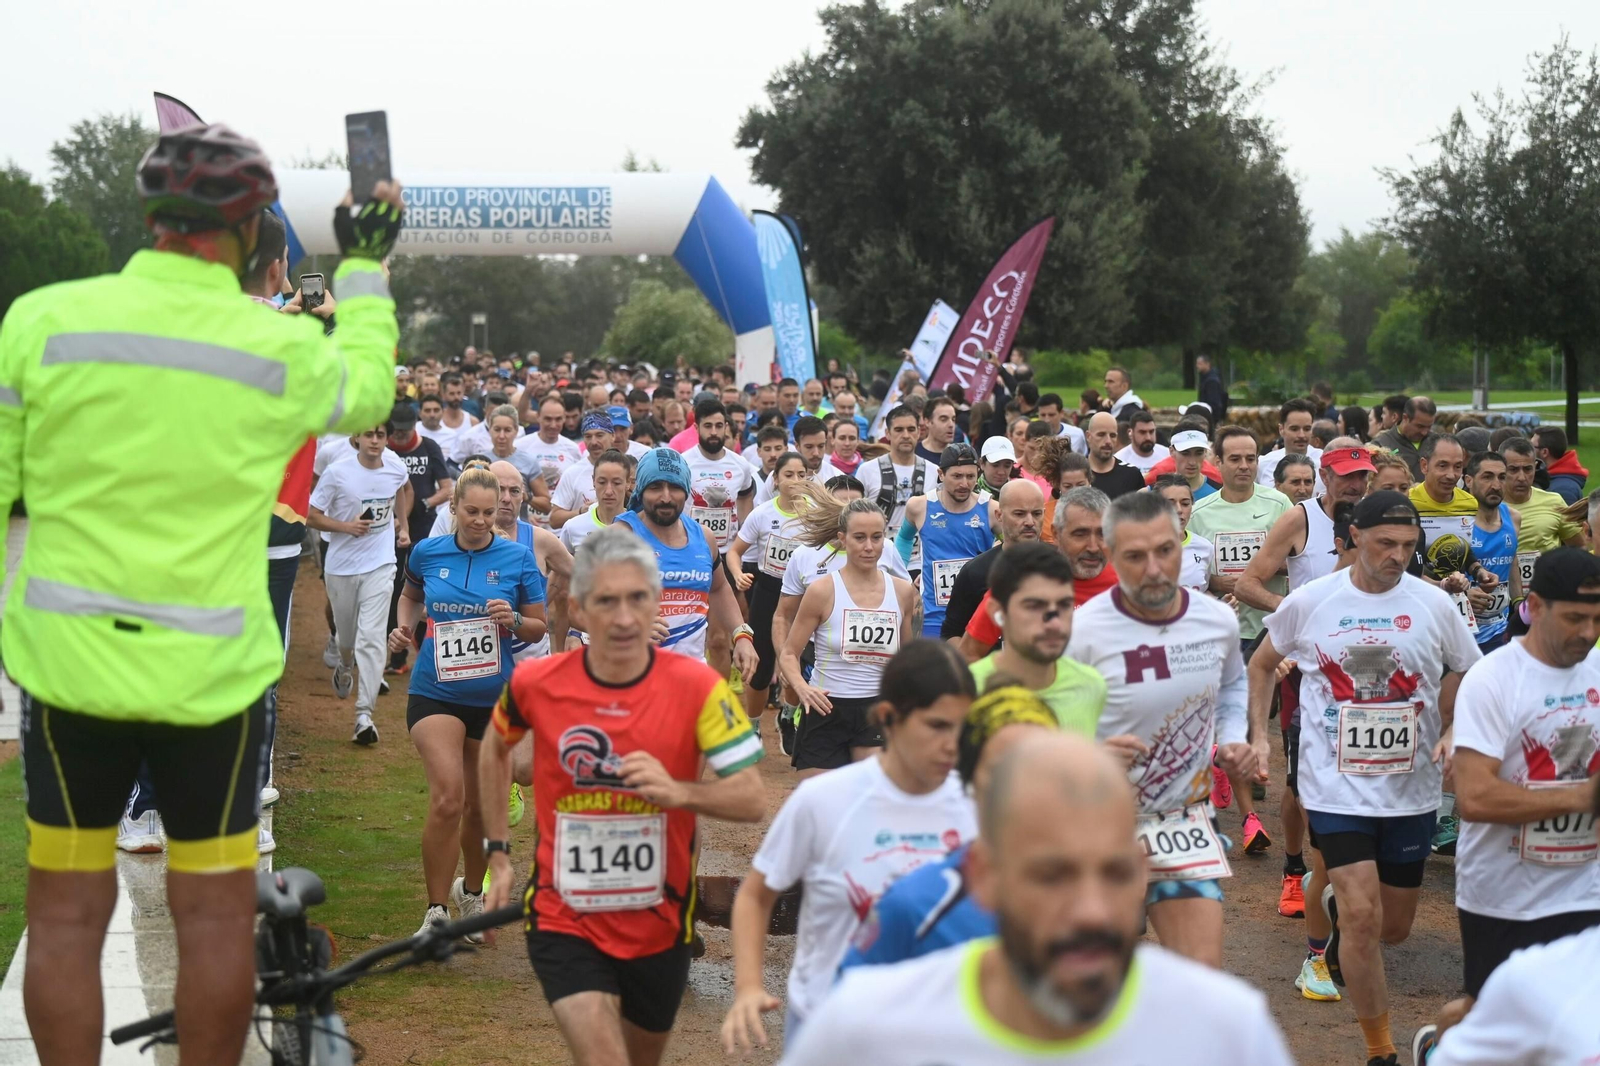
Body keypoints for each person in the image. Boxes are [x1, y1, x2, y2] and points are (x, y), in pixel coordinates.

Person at [5, 121, 404, 1065]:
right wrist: (365, 266)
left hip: (71, 670)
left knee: (64, 911)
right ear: (254, 230)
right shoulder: (278, 349)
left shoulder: (43, 319)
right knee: (214, 918)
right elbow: (370, 392)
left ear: (151, 216)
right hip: (212, 680)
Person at [784, 734, 1294, 1066]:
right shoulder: (864, 1030)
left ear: (1145, 874)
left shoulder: (1227, 1032)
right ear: (984, 876)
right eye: (1053, 876)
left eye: (1115, 873)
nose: (1091, 909)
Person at [478, 525, 764, 1066]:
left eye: (638, 599)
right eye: (607, 601)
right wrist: (497, 850)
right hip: (564, 915)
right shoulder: (537, 683)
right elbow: (494, 750)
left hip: (660, 921)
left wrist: (677, 791)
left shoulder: (698, 687)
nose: (626, 617)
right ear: (580, 609)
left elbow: (750, 798)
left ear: (657, 602)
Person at [1247, 490, 1481, 1066]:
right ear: (1354, 536)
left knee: (1394, 929)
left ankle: (1344, 911)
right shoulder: (1312, 600)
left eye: (1408, 545)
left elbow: (1466, 670)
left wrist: (1451, 727)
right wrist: (1258, 734)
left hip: (1411, 789)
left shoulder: (1433, 605)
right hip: (1335, 785)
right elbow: (1258, 664)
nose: (1398, 556)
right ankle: (1381, 1053)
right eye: (1385, 543)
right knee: (1359, 917)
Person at [721, 640, 979, 1052]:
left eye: (963, 728)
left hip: (937, 1033)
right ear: (888, 719)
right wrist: (748, 986)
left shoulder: (979, 806)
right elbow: (755, 895)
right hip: (828, 1027)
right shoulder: (823, 800)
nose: (953, 744)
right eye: (936, 726)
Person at [1071, 491, 1256, 967]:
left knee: (1202, 976)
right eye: (1135, 556)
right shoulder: (1083, 631)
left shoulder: (1215, 620)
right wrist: (1089, 754)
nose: (1153, 569)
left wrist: (1235, 737)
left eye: (1165, 551)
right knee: (1104, 981)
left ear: (1183, 544)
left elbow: (1234, 684)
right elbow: (1048, 725)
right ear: (1111, 555)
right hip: (1099, 826)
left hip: (1182, 820)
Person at [388, 467, 546, 936]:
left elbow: (539, 624)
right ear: (453, 508)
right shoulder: (428, 551)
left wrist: (514, 618)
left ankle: (470, 894)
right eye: (470, 511)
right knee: (447, 798)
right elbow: (411, 594)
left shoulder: (517, 558)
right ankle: (435, 911)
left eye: (487, 512)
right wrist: (405, 626)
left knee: (481, 807)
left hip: (495, 697)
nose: (479, 521)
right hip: (435, 690)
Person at [1236, 444, 1376, 923]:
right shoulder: (1301, 520)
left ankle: (1344, 869)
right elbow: (1249, 583)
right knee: (1300, 782)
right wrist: (1299, 617)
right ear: (1325, 478)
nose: (1355, 486)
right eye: (1347, 477)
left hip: (1367, 666)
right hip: (1305, 668)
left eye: (1363, 477)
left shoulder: (1380, 520)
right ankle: (1295, 868)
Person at [837, 685, 1060, 973]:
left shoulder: (1094, 894)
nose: (1020, 782)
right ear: (970, 776)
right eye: (1000, 768)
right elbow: (851, 994)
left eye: (1038, 764)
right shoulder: (911, 901)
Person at [775, 475, 913, 755]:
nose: (869, 546)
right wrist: (801, 688)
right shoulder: (820, 590)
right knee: (821, 799)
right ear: (842, 539)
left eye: (877, 538)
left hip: (876, 710)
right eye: (860, 538)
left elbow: (906, 658)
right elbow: (789, 651)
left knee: (869, 797)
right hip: (826, 706)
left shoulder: (902, 592)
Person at [309, 423, 413, 744]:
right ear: (356, 438)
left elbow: (402, 491)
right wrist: (345, 526)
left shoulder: (395, 465)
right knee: (348, 637)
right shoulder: (338, 472)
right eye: (369, 435)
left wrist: (403, 526)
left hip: (381, 563)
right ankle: (344, 663)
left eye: (380, 435)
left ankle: (364, 716)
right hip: (341, 566)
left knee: (371, 637)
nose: (375, 441)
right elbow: (311, 514)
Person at [617, 448, 758, 679]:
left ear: (686, 490)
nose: (665, 497)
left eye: (674, 487)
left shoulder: (704, 537)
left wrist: (741, 635)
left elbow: (719, 588)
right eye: (655, 487)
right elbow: (579, 605)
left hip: (690, 676)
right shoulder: (619, 537)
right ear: (641, 490)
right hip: (630, 679)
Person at [960, 486, 1119, 660]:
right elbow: (968, 656)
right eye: (1080, 534)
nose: (1093, 547)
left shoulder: (1128, 581)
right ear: (1056, 534)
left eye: (1102, 534)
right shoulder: (1018, 584)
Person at [967, 541, 1107, 734]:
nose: (1054, 623)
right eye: (1034, 606)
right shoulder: (965, 691)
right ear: (997, 612)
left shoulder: (1092, 686)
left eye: (1065, 605)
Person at [729, 452, 813, 727]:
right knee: (762, 665)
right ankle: (752, 725)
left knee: (798, 660)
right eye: (789, 475)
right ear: (775, 480)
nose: (796, 480)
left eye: (802, 474)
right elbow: (734, 552)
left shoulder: (816, 514)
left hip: (803, 594)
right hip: (768, 590)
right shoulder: (763, 513)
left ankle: (788, 716)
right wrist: (738, 574)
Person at [898, 444, 998, 637]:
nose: (965, 483)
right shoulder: (919, 506)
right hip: (934, 617)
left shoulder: (992, 510)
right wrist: (901, 579)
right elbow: (904, 538)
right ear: (941, 474)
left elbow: (1013, 548)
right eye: (957, 476)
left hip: (977, 617)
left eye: (971, 476)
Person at [383, 404, 453, 676]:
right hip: (388, 531)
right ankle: (397, 657)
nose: (399, 437)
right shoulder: (384, 449)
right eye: (395, 431)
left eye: (404, 431)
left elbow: (446, 487)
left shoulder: (429, 447)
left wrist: (426, 502)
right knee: (394, 593)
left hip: (423, 532)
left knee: (422, 591)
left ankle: (429, 654)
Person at [940, 480, 1045, 640]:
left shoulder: (1062, 565)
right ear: (999, 515)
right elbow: (951, 635)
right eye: (1019, 514)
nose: (1030, 522)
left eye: (1037, 513)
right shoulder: (975, 572)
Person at [681, 398, 757, 556]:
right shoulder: (683, 463)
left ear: (726, 427)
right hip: (691, 550)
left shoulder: (740, 464)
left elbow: (745, 497)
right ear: (696, 427)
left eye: (719, 426)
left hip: (727, 553)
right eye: (708, 426)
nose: (714, 432)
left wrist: (742, 533)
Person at [1464, 450, 1520, 653]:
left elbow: (1512, 562)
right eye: (1487, 477)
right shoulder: (1457, 522)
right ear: (1468, 480)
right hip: (1461, 633)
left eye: (1502, 477)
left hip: (1499, 630)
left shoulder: (1513, 517)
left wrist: (1519, 603)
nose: (1496, 485)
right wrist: (1462, 596)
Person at [1500, 437, 1584, 566]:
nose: (1521, 477)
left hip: (1547, 584)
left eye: (1528, 469)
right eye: (1513, 469)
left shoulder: (1554, 501)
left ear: (1535, 467)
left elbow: (1580, 547)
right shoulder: (1486, 506)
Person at [548, 411, 621, 528]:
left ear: (612, 436)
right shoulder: (572, 473)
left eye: (599, 435)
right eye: (588, 436)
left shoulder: (627, 468)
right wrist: (581, 511)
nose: (593, 442)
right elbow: (554, 519)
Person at [520, 396, 585, 523]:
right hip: (529, 524)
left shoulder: (573, 449)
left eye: (558, 419)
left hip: (560, 527)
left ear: (564, 418)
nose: (553, 425)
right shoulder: (521, 446)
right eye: (548, 419)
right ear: (538, 417)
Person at [1153, 474, 1215, 591]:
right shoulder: (1139, 547)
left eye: (1185, 504)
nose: (1179, 510)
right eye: (1170, 504)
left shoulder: (1205, 547)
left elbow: (1202, 591)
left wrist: (1219, 604)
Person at [1257, 398, 1324, 494]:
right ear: (1281, 429)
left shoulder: (1325, 462)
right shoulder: (1263, 464)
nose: (1301, 435)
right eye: (1294, 429)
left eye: (1307, 429)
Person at [1372, 395, 1437, 482]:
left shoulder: (1438, 442)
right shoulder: (1380, 445)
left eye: (1429, 427)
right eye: (1420, 426)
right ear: (1405, 418)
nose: (1424, 432)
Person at [1083, 412, 1146, 498]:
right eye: (1101, 435)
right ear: (1088, 436)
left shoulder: (1131, 475)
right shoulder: (1077, 474)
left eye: (1112, 435)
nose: (1108, 441)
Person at [1534, 425, 1589, 504]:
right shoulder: (1550, 479)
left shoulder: (1565, 490)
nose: (1528, 451)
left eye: (1532, 447)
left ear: (1544, 452)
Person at [1114, 408, 1169, 475]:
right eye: (1142, 432)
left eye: (1151, 432)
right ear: (1130, 433)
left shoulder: (1168, 455)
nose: (1148, 437)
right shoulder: (1119, 460)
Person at [1196, 352, 1229, 420]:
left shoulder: (1211, 381)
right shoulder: (1205, 378)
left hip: (1210, 417)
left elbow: (1214, 402)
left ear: (1207, 364)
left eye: (1200, 364)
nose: (1197, 366)